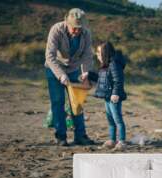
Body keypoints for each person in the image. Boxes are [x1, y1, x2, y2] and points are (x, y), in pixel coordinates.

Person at [45, 8, 95, 146]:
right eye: (74, 28)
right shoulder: (56, 29)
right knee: (58, 102)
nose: (77, 31)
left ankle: (80, 136)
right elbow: (50, 56)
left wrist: (86, 73)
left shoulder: (86, 33)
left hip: (74, 69)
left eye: (80, 28)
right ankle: (61, 136)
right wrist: (61, 76)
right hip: (54, 69)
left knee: (77, 103)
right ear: (66, 22)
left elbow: (87, 56)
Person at [87, 42, 127, 150]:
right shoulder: (105, 66)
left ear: (106, 53)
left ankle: (122, 141)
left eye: (99, 52)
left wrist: (115, 93)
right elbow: (101, 80)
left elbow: (118, 80)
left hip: (113, 97)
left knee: (117, 119)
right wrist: (88, 75)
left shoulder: (114, 64)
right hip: (107, 97)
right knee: (110, 120)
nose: (97, 54)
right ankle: (112, 140)